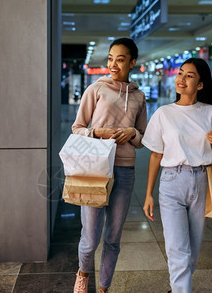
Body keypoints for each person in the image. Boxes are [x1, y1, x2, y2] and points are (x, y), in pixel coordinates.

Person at [141, 58, 212, 293]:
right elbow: (155, 156)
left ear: (200, 84)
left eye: (189, 75)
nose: (181, 79)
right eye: (180, 73)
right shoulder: (163, 113)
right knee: (177, 249)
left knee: (192, 249)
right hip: (171, 181)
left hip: (201, 181)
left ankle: (178, 286)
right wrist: (148, 194)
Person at [72, 38, 147, 293]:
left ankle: (104, 288)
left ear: (132, 62)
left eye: (120, 59)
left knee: (113, 238)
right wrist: (96, 133)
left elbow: (143, 138)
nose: (113, 64)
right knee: (91, 239)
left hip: (125, 170)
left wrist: (132, 134)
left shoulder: (139, 96)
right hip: (94, 167)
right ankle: (83, 273)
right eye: (110, 58)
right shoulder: (95, 89)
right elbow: (77, 128)